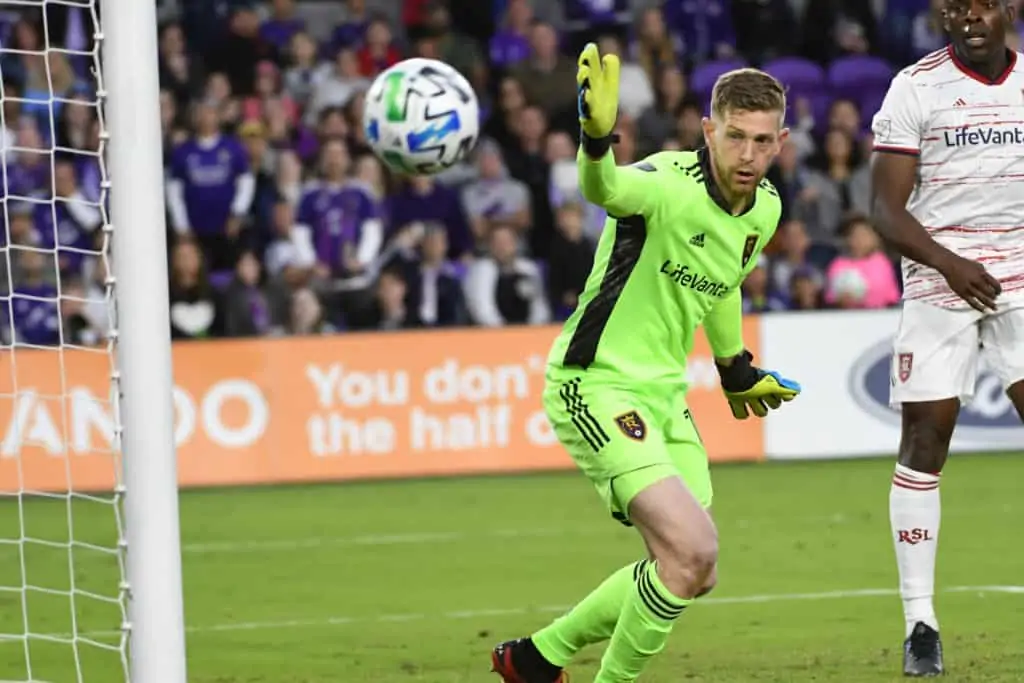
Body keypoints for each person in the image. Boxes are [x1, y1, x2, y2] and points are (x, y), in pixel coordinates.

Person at [489, 43, 801, 683]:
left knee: (692, 569)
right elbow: (602, 186)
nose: (748, 155)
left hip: (663, 397)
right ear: (708, 130)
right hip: (594, 383)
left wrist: (733, 364)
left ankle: (534, 658)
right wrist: (597, 140)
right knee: (693, 550)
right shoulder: (662, 184)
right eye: (735, 137)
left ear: (782, 140)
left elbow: (723, 278)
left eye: (763, 141)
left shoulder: (764, 208)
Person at [869, 0, 1024, 676]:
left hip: (1020, 278)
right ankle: (920, 623)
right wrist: (950, 265)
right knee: (926, 439)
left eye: (983, 4)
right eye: (955, 6)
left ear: (1011, 8)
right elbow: (884, 209)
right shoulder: (914, 86)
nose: (969, 16)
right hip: (940, 279)